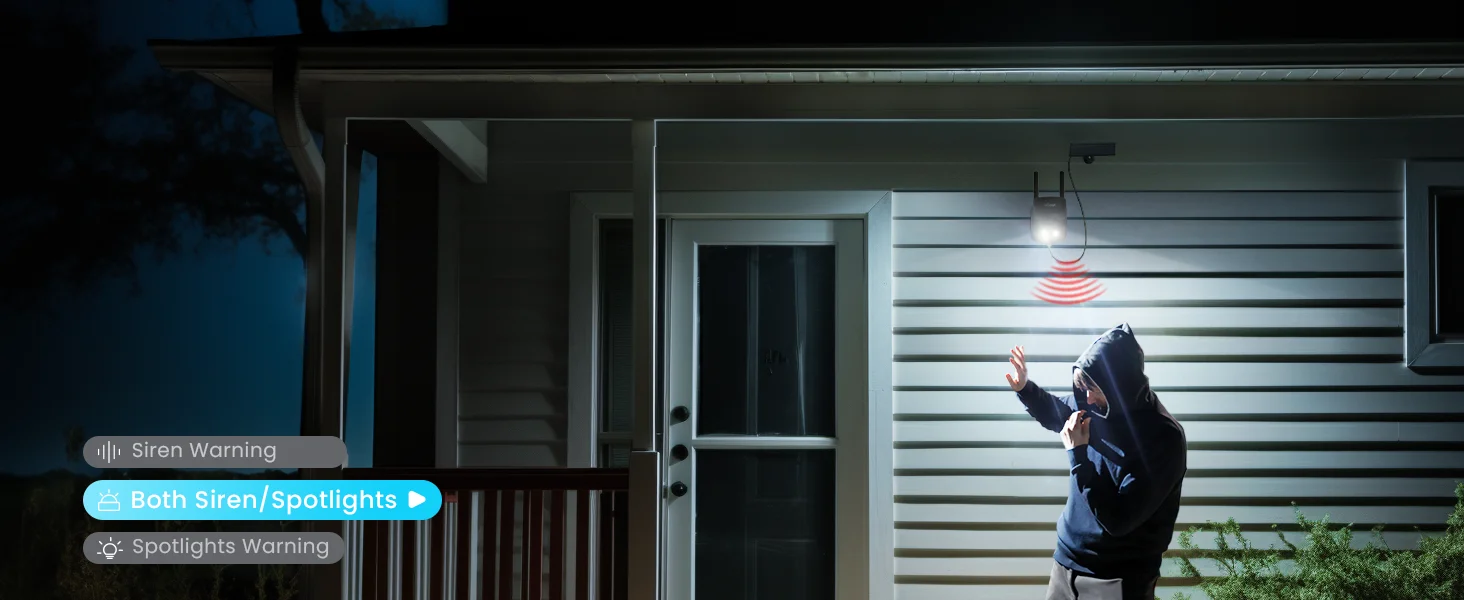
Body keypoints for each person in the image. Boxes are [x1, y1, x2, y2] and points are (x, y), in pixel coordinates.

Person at [1003, 323, 1187, 600]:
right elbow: (1057, 411)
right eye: (1082, 387)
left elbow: (1118, 520)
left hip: (1117, 578)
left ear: (1121, 385)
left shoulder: (1161, 438)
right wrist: (1025, 388)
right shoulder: (1093, 405)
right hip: (1065, 565)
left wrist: (1078, 455)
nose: (1087, 398)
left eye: (1094, 388)